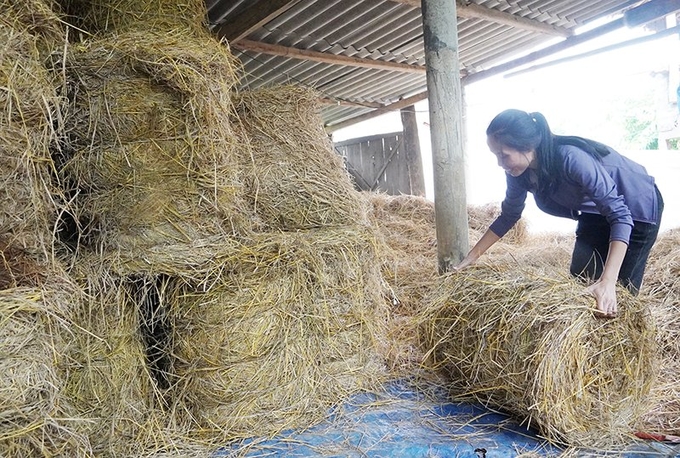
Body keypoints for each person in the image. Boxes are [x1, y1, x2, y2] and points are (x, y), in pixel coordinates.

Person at [455, 109, 664, 318]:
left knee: (618, 291)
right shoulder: (519, 173)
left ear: (527, 146)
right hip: (596, 211)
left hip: (636, 210)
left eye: (503, 155)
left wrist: (608, 282)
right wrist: (471, 258)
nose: (500, 164)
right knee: (580, 279)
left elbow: (620, 216)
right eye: (496, 156)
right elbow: (509, 215)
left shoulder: (570, 158)